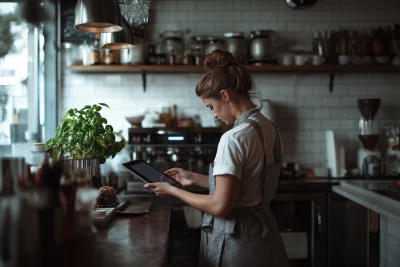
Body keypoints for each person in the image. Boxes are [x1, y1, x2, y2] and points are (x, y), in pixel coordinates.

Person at [144, 49, 289, 267]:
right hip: (265, 238)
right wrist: (193, 178)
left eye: (211, 106)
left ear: (225, 95)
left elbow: (221, 205)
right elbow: (247, 185)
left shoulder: (233, 138)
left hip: (237, 242)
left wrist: (173, 190)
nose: (213, 114)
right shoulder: (268, 127)